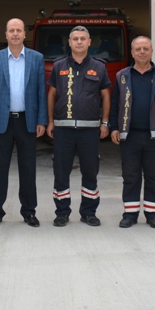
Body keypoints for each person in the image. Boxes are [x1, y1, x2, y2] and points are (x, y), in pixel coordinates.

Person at [108, 36, 155, 229]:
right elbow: (115, 105)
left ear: (151, 51)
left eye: (145, 49)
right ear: (132, 53)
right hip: (129, 135)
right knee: (130, 176)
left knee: (154, 176)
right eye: (138, 49)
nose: (142, 52)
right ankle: (130, 214)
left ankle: (153, 214)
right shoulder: (122, 76)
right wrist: (114, 127)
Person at [47, 25, 111, 227]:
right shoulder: (58, 66)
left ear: (89, 42)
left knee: (90, 172)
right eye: (75, 39)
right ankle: (62, 212)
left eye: (83, 38)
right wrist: (50, 121)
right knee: (61, 172)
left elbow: (106, 96)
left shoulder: (99, 67)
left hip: (89, 130)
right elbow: (51, 95)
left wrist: (105, 122)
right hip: (63, 129)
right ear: (69, 42)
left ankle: (89, 212)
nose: (79, 42)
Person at [0, 18, 47, 227]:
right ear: (6, 34)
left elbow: (41, 91)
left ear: (24, 34)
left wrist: (42, 120)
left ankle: (29, 212)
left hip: (27, 121)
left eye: (18, 30)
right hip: (2, 121)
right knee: (0, 167)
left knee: (28, 168)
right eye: (11, 30)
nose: (15, 34)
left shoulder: (36, 58)